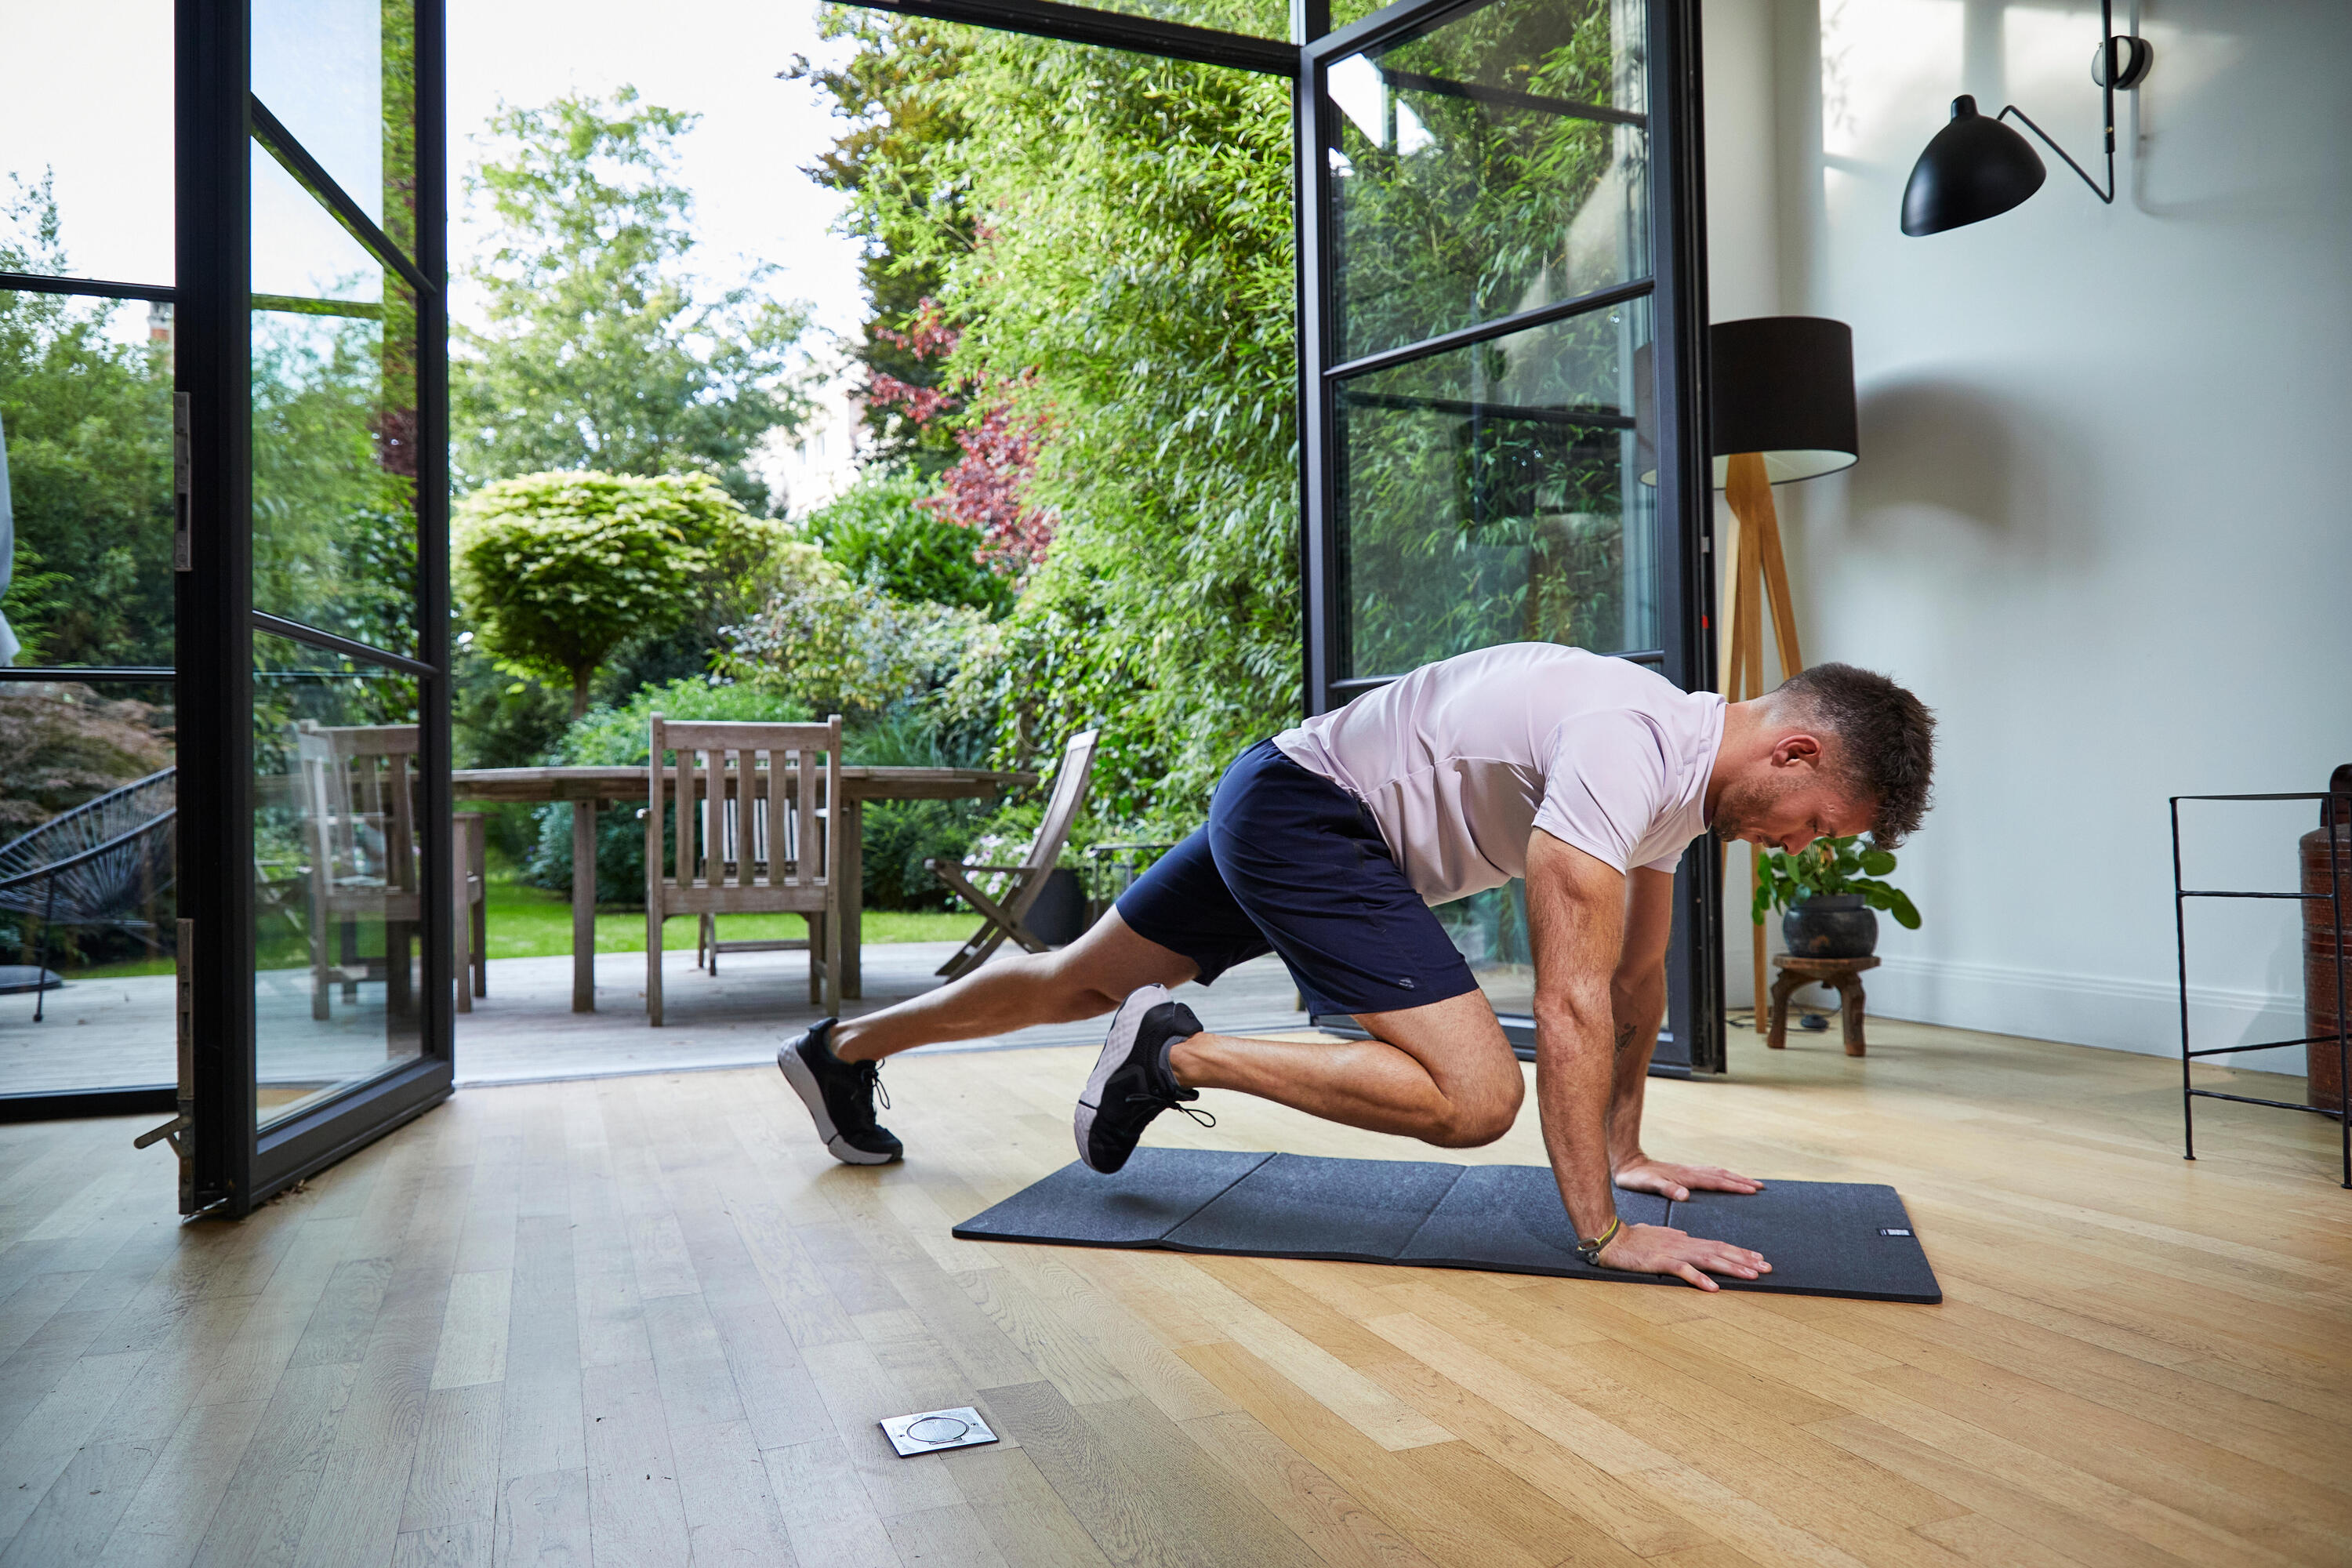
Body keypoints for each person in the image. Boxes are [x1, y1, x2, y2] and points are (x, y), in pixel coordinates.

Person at [779, 644, 1935, 1290]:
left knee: (1071, 979)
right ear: (1795, 749)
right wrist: (1602, 1229)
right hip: (1310, 817)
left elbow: (1637, 983)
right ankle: (1175, 1053)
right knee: (1480, 1096)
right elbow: (1573, 1001)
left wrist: (1627, 1149)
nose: (1801, 849)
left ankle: (836, 1051)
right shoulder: (1627, 747)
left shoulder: (1678, 783)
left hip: (1286, 792)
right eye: (1819, 822)